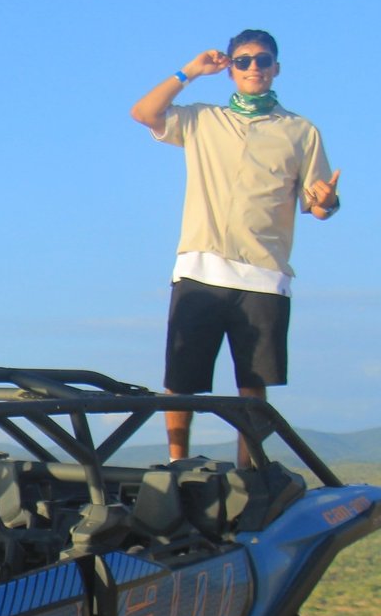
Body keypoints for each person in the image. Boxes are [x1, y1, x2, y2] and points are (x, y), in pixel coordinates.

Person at [128, 28, 341, 464]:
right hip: (200, 267)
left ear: (276, 68)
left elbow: (317, 206)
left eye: (262, 60)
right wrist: (190, 70)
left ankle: (250, 473)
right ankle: (176, 466)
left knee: (253, 384)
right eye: (242, 61)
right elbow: (144, 112)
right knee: (181, 382)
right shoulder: (203, 118)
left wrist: (327, 202)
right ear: (231, 69)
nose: (253, 68)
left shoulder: (301, 131)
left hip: (264, 272)